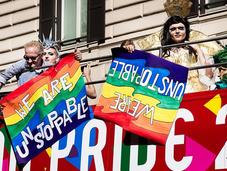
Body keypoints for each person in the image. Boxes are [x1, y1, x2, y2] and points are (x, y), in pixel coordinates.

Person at [123, 16, 216, 93]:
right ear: (169, 32)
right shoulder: (160, 51)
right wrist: (129, 46)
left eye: (181, 28)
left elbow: (208, 76)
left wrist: (198, 50)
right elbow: (141, 64)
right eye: (173, 29)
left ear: (186, 31)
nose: (177, 31)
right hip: (169, 95)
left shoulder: (195, 49)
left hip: (193, 93)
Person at [0, 40, 96, 98]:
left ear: (41, 55)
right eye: (26, 57)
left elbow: (64, 65)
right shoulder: (22, 64)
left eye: (33, 58)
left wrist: (76, 58)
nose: (29, 61)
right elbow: (4, 76)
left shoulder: (50, 68)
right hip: (26, 107)